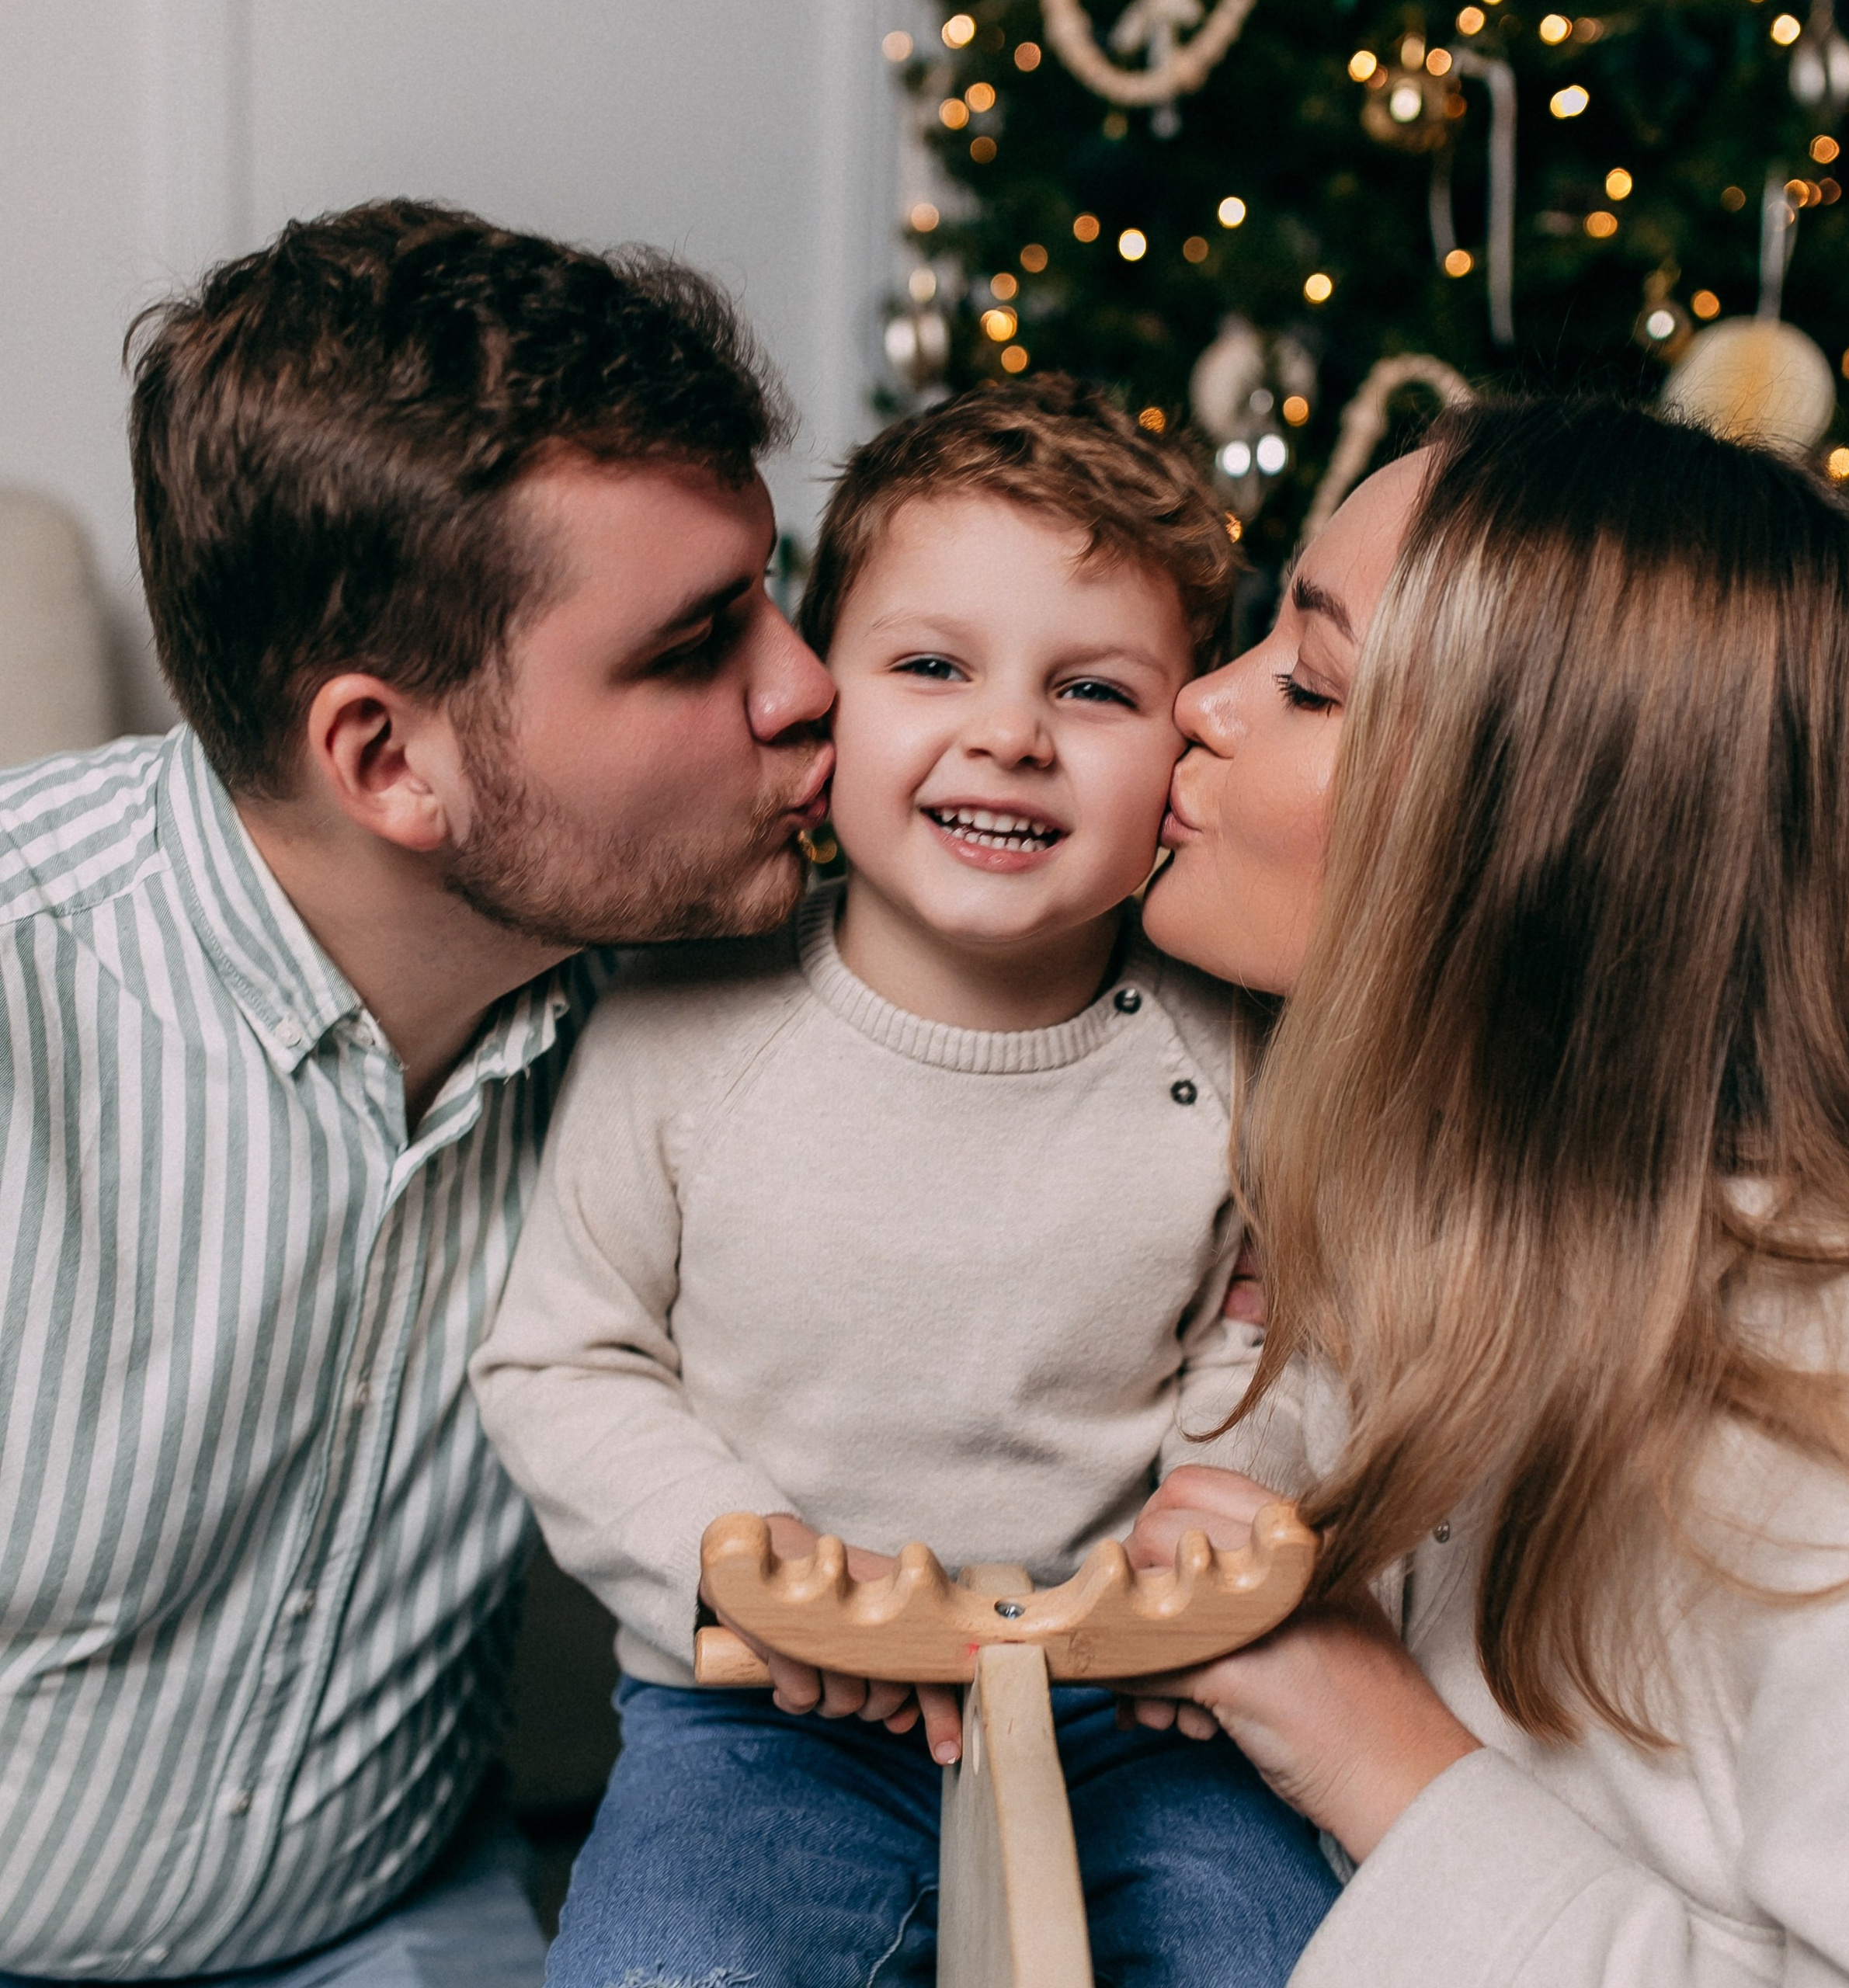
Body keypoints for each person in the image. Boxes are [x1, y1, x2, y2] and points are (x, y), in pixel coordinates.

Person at [0, 200, 835, 1985]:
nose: (805, 686)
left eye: (777, 590)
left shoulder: (713, 968)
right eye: (694, 648)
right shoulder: (22, 999)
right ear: (388, 757)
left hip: (390, 1919)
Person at [472, 376, 1340, 1988]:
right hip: (762, 1709)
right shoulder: (684, 1020)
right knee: (665, 1965)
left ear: (1182, 741)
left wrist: (1209, 1514)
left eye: (1089, 688)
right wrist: (743, 1555)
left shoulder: (1231, 1046)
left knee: (1267, 1950)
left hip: (1131, 1699)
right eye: (931, 666)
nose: (1005, 733)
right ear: (822, 699)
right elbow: (560, 1356)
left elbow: (1270, 1327)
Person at [1122, 396, 1849, 1986]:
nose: (1197, 701)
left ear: (1541, 839)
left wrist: (1387, 1755)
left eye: (1310, 682)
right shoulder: (1434, 1222)